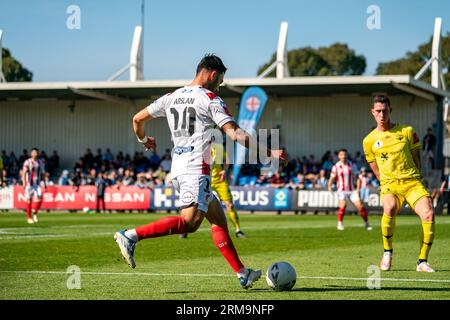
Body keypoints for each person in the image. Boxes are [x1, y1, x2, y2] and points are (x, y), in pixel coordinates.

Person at [113, 54, 286, 289]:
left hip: (179, 167)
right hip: (196, 167)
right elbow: (235, 134)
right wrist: (269, 153)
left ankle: (242, 272)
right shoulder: (210, 99)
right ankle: (131, 235)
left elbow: (137, 119)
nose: (220, 85)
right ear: (213, 74)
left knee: (218, 220)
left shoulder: (171, 97)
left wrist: (144, 139)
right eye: (221, 80)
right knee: (191, 222)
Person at [363, 95, 435, 272]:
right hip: (390, 185)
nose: (381, 114)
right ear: (373, 112)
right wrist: (387, 182)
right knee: (389, 208)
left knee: (429, 215)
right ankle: (387, 251)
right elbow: (375, 168)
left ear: (390, 111)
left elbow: (417, 158)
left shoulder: (407, 131)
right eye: (378, 111)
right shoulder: (369, 141)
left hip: (412, 183)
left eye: (384, 110)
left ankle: (422, 261)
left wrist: (417, 177)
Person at [180, 141, 247, 239]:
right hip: (204, 180)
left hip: (219, 181)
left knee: (230, 205)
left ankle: (238, 230)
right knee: (194, 206)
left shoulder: (218, 147)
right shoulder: (198, 146)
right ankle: (185, 230)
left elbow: (226, 160)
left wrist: (224, 170)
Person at [328, 149, 372, 231]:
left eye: (345, 155)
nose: (343, 156)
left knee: (360, 206)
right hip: (341, 190)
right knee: (343, 205)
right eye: (341, 155)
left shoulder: (352, 165)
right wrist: (329, 188)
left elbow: (358, 177)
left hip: (352, 190)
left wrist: (358, 189)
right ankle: (340, 223)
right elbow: (331, 178)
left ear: (347, 155)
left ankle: (367, 223)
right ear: (339, 156)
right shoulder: (336, 166)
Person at [22, 148, 46, 224]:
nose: (35, 154)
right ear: (31, 153)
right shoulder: (27, 161)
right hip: (29, 184)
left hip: (37, 184)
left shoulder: (40, 162)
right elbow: (24, 173)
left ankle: (35, 213)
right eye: (33, 152)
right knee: (29, 200)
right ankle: (29, 218)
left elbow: (42, 174)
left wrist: (44, 184)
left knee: (40, 198)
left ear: (37, 154)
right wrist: (24, 182)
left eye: (36, 152)